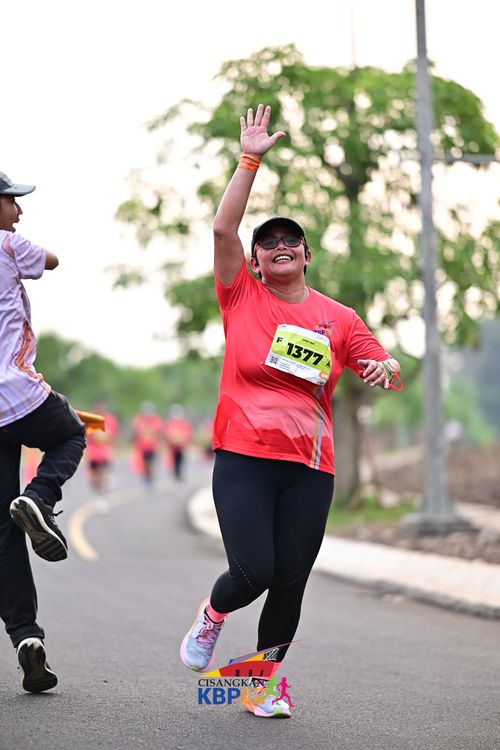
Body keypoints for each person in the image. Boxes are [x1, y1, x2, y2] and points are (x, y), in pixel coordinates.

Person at [179, 105, 401, 718]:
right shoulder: (241, 296)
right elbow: (223, 229)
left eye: (290, 241)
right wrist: (249, 161)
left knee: (291, 580)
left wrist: (383, 368)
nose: (279, 246)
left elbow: (383, 363)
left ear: (306, 256)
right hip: (245, 457)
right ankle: (212, 614)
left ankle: (261, 686)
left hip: (310, 467)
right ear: (254, 261)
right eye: (267, 242)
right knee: (254, 571)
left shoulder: (339, 318)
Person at [0, 170, 86, 692]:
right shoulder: (8, 245)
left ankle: (26, 636)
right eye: (12, 201)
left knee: (2, 533)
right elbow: (51, 260)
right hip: (14, 393)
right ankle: (39, 497)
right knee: (70, 434)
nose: (19, 211)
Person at [131, 401, 163, 484]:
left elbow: (157, 431)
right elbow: (137, 431)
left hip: (152, 447)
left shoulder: (156, 420)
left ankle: (150, 478)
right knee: (144, 464)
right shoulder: (138, 419)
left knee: (150, 464)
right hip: (142, 447)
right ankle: (147, 477)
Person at [164, 404, 192, 481]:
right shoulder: (170, 423)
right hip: (173, 447)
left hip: (181, 446)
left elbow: (188, 433)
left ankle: (179, 473)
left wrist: (182, 439)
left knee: (181, 460)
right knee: (174, 460)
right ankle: (176, 473)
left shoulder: (184, 423)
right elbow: (168, 433)